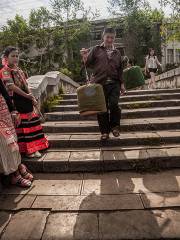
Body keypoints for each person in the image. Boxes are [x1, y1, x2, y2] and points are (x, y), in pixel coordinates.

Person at [0, 46, 49, 158]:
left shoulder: (19, 70)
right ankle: (28, 150)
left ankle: (35, 148)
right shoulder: (5, 71)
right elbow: (11, 86)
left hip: (26, 100)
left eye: (17, 56)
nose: (16, 58)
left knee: (32, 124)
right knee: (23, 126)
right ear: (6, 57)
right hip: (15, 101)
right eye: (13, 56)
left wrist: (31, 97)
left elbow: (26, 85)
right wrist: (26, 95)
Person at [80, 28, 125, 140]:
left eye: (112, 37)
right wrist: (85, 56)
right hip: (99, 84)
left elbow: (120, 69)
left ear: (114, 38)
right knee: (101, 108)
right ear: (103, 37)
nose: (109, 40)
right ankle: (104, 131)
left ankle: (115, 127)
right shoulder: (96, 49)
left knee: (114, 104)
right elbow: (88, 64)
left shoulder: (117, 52)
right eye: (107, 37)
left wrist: (122, 84)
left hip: (114, 83)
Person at [0, 77, 33, 187]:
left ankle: (18, 168)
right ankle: (16, 174)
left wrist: (13, 109)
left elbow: (4, 91)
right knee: (6, 142)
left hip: (3, 111)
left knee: (12, 140)